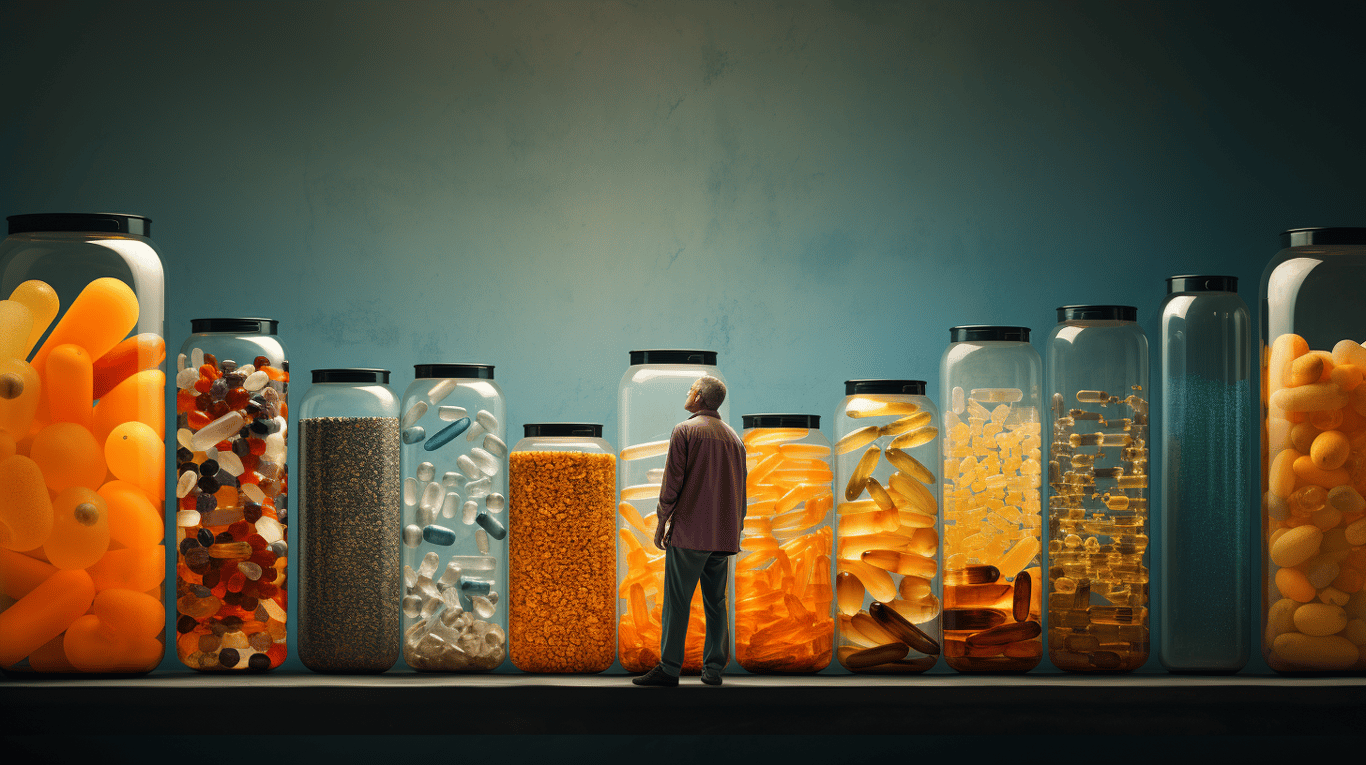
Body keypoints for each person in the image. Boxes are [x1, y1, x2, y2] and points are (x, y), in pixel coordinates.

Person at [632, 375, 746, 687]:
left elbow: (673, 482)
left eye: (689, 389)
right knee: (716, 603)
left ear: (697, 396)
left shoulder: (685, 430)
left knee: (678, 601)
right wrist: (735, 530)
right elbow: (741, 492)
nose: (687, 393)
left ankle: (669, 668)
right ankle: (713, 670)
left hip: (690, 532)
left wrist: (662, 520)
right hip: (723, 535)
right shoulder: (735, 439)